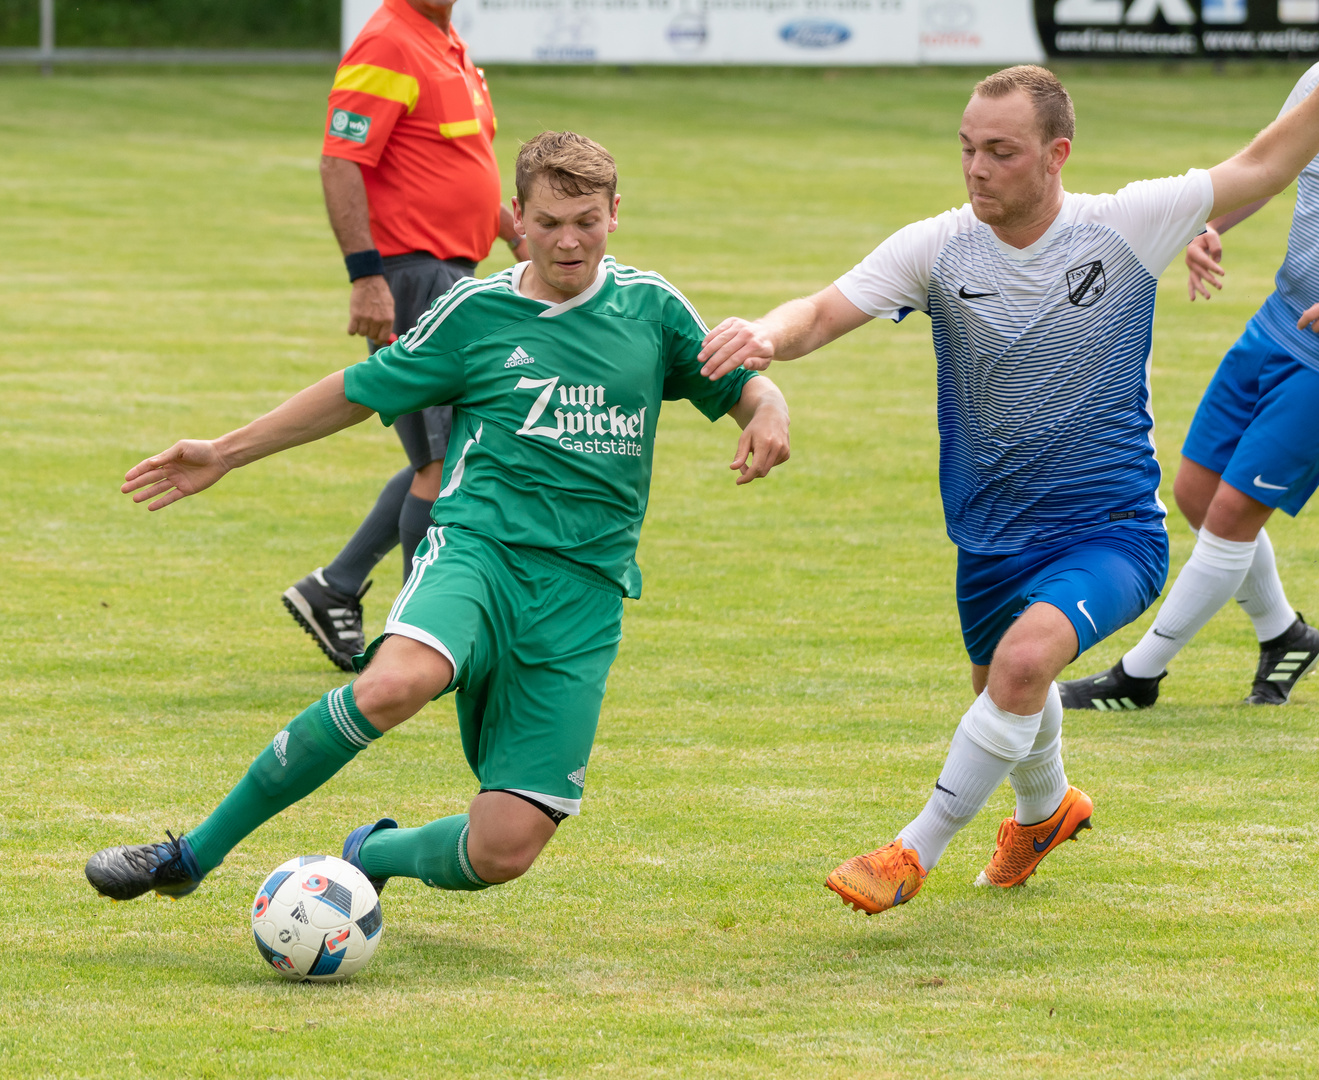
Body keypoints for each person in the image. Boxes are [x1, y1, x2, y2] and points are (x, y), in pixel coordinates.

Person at [696, 11, 1319, 914]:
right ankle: (1045, 810)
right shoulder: (938, 247)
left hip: (1110, 531)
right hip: (989, 539)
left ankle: (914, 849)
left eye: (1001, 152)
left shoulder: (1127, 225)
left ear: (1057, 153)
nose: (978, 169)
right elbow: (824, 311)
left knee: (1025, 669)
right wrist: (766, 335)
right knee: (1005, 696)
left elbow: (1266, 163)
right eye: (967, 150)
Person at [85, 132, 791, 915]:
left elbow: (743, 388)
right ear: (516, 216)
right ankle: (192, 854)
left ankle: (370, 852)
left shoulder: (650, 310)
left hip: (584, 597)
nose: (568, 241)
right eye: (550, 220)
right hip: (479, 557)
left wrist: (770, 410)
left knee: (501, 851)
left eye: (587, 221)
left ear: (616, 214)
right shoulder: (476, 314)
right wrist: (226, 450)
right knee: (394, 684)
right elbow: (358, 389)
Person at [1059, 0, 1319, 712]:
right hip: (1277, 323)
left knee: (1231, 516)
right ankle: (1285, 634)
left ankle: (1139, 676)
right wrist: (1210, 224)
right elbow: (1269, 169)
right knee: (1196, 494)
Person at [284, 0, 525, 672]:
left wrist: (515, 231)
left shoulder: (443, 43)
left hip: (452, 275)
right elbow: (341, 159)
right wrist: (366, 277)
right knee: (444, 464)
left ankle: (336, 587)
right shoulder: (390, 41)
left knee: (442, 455)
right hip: (414, 276)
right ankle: (423, 636)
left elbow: (454, 168)